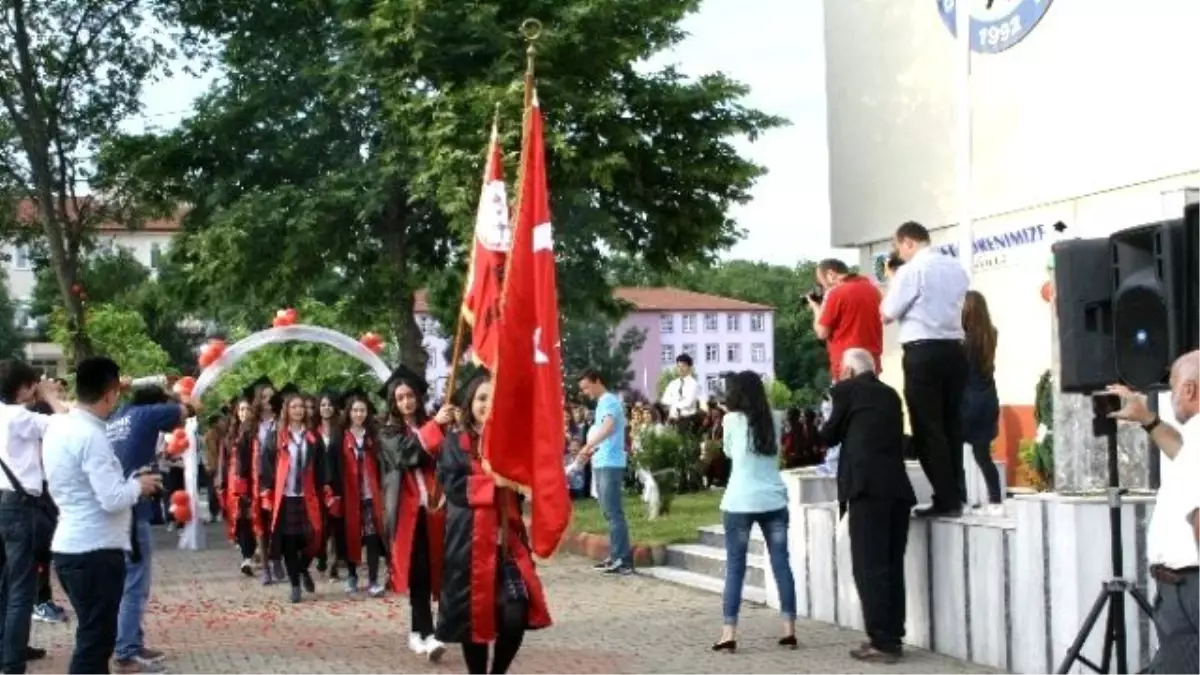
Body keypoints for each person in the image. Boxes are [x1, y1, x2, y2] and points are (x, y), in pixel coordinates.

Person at [43, 357, 162, 675]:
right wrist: (139, 485)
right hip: (94, 551)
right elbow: (112, 499)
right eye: (115, 394)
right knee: (95, 644)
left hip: (72, 548)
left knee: (93, 637)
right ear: (110, 393)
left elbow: (64, 408)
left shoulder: (61, 425)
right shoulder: (91, 436)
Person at [435, 372, 551, 675]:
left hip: (506, 542)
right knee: (475, 617)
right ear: (470, 403)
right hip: (469, 543)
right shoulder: (455, 443)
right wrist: (495, 481)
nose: (487, 404)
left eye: (492, 398)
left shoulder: (510, 441)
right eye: (481, 398)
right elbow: (454, 488)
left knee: (516, 611)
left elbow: (525, 483)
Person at [820, 348, 916, 664]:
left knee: (868, 566)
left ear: (847, 371)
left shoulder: (846, 390)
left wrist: (828, 412)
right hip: (897, 490)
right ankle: (892, 637)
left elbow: (829, 436)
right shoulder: (890, 395)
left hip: (866, 489)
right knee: (891, 565)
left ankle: (882, 643)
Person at [1106, 351, 1200, 672]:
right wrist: (1148, 419)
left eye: (1173, 387)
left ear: (1189, 390)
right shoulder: (1195, 439)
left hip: (1190, 589)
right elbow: (1181, 452)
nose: (1171, 397)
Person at [880, 220, 970, 518]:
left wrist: (893, 280)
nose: (898, 254)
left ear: (908, 242)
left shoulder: (911, 270)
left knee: (927, 426)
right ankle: (956, 490)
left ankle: (945, 497)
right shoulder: (956, 267)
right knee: (951, 424)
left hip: (923, 351)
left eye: (898, 247)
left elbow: (887, 313)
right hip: (954, 349)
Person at [106, 384, 194, 673]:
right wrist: (178, 394)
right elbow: (191, 407)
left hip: (117, 511)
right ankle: (126, 652)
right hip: (132, 511)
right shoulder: (147, 415)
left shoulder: (120, 415)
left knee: (127, 582)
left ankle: (133, 641)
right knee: (135, 584)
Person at [711, 370, 797, 653]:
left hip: (739, 502)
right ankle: (788, 630)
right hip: (773, 500)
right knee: (781, 564)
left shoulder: (731, 420)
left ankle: (728, 633)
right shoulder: (776, 417)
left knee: (736, 568)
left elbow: (729, 453)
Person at [374, 366, 454, 660]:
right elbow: (406, 454)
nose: (406, 402)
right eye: (399, 398)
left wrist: (445, 426)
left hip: (435, 508)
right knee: (418, 572)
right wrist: (436, 428)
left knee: (433, 572)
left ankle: (416, 633)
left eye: (410, 396)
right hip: (407, 513)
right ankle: (430, 635)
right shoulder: (386, 432)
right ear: (393, 403)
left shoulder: (432, 424)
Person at [0, 361, 66, 673]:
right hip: (19, 508)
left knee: (4, 584)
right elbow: (66, 424)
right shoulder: (18, 417)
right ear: (24, 387)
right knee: (21, 590)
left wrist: (38, 393)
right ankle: (12, 665)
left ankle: (8, 650)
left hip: (3, 504)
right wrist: (51, 396)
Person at [267, 390, 326, 604]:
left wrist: (326, 490)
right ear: (287, 410)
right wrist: (266, 491)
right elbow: (266, 465)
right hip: (286, 496)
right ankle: (294, 585)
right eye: (294, 407)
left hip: (308, 495)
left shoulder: (313, 437)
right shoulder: (278, 436)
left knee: (315, 537)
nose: (298, 410)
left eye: (301, 406)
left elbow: (321, 466)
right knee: (290, 543)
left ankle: (302, 569)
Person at [576, 369, 632, 575]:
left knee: (614, 512)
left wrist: (587, 446)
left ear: (597, 381)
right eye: (582, 389)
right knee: (608, 512)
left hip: (611, 463)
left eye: (586, 387)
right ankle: (616, 555)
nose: (585, 392)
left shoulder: (609, 401)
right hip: (602, 461)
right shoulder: (602, 403)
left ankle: (623, 560)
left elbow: (608, 428)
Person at [961, 290, 1004, 512]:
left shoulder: (962, 340)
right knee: (983, 456)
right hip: (987, 398)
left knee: (954, 452)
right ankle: (996, 500)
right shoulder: (991, 335)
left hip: (965, 400)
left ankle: (960, 500)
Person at [810, 258, 883, 381]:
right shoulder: (874, 290)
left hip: (847, 367)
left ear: (831, 274)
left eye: (822, 282)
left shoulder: (836, 293)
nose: (823, 287)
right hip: (872, 364)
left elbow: (822, 333)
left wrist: (816, 309)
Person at [660, 354, 700, 435]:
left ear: (690, 367)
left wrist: (673, 401)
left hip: (687, 420)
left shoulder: (693, 384)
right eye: (678, 366)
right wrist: (679, 400)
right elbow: (664, 400)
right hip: (672, 420)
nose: (680, 369)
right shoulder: (673, 384)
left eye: (683, 366)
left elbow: (687, 403)